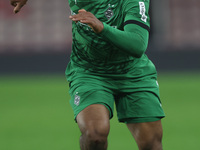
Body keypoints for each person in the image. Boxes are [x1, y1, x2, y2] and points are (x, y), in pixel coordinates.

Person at [10, 0, 165, 149]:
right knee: (95, 135)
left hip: (132, 72)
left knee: (150, 144)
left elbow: (138, 44)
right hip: (89, 72)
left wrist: (102, 28)